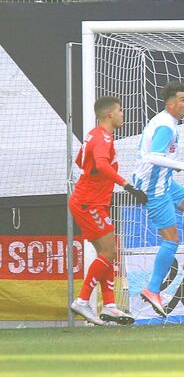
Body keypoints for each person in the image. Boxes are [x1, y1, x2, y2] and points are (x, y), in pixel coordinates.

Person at [134, 82, 184, 317]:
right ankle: (151, 289)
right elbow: (152, 156)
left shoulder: (168, 121)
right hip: (153, 186)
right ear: (170, 104)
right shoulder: (165, 127)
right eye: (182, 99)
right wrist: (183, 166)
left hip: (165, 181)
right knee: (170, 240)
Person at [67, 96, 147, 326]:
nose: (123, 114)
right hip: (89, 202)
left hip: (92, 201)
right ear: (109, 114)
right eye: (120, 110)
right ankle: (82, 300)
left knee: (107, 253)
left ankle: (110, 306)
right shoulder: (102, 137)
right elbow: (100, 165)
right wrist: (127, 186)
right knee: (110, 252)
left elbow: (82, 161)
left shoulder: (93, 134)